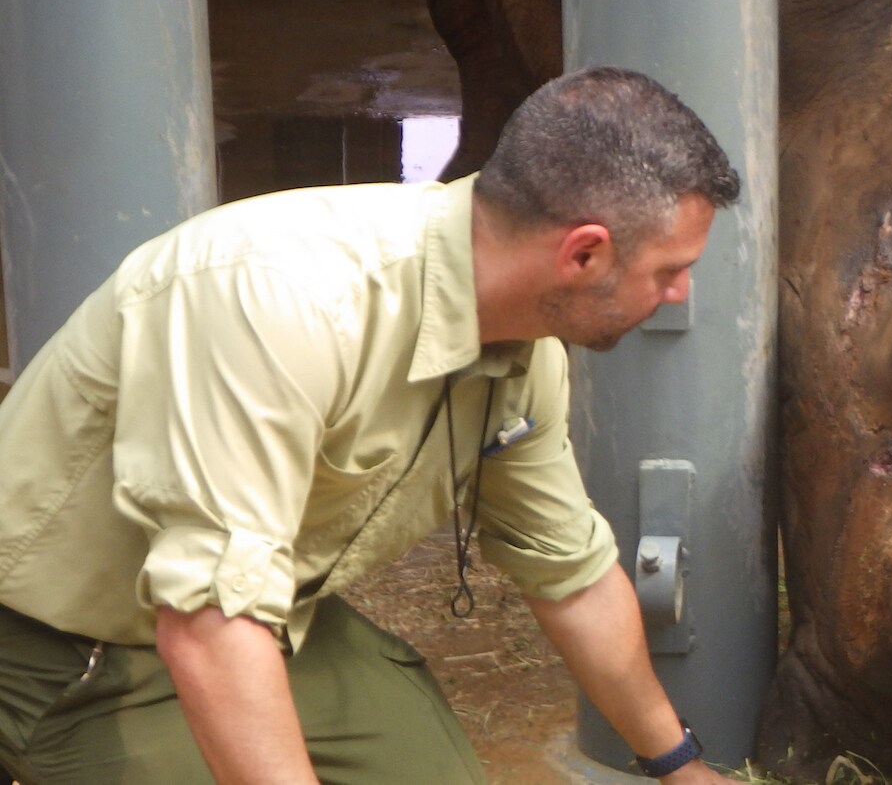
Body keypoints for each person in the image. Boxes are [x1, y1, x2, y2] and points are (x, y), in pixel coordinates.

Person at [0, 67, 736, 784]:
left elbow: (570, 575)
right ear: (584, 251)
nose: (679, 294)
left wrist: (681, 768)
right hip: (61, 647)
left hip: (270, 612)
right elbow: (206, 627)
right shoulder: (278, 299)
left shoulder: (520, 345)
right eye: (670, 269)